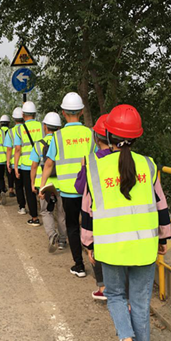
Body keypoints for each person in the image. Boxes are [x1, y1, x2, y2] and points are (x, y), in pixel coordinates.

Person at [82, 104, 171, 341]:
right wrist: (163, 237)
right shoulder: (148, 165)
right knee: (141, 300)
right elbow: (161, 204)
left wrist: (88, 242)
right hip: (144, 246)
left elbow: (88, 210)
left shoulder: (95, 166)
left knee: (116, 296)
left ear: (108, 135)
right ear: (136, 137)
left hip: (110, 247)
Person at [39, 92, 95, 278]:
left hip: (68, 192)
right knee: (92, 226)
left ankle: (79, 265)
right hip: (89, 190)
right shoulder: (91, 134)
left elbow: (49, 164)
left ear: (63, 113)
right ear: (81, 112)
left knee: (72, 226)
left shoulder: (58, 137)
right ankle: (98, 267)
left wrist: (42, 186)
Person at [76, 114, 109, 300]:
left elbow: (81, 188)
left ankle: (103, 287)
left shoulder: (91, 161)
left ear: (96, 138)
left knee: (98, 251)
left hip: (98, 217)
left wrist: (87, 241)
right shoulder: (131, 160)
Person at [29, 112, 68, 252]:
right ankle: (62, 241)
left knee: (46, 211)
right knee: (62, 213)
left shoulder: (38, 145)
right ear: (59, 128)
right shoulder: (62, 142)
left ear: (45, 127)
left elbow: (34, 166)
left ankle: (52, 234)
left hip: (45, 184)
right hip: (62, 184)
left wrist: (33, 183)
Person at [14, 101, 43, 226]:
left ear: (23, 114)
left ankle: (34, 218)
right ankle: (46, 213)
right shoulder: (42, 126)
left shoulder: (19, 129)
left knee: (30, 191)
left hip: (27, 165)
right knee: (43, 187)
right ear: (35, 114)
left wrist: (16, 166)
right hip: (42, 163)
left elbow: (17, 149)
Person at [6, 107, 27, 215]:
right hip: (29, 162)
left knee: (18, 187)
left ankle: (22, 207)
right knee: (28, 186)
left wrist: (8, 162)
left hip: (16, 163)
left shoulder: (10, 132)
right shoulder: (27, 129)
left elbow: (9, 149)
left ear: (14, 119)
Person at [0, 114, 16, 198]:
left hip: (1, 155)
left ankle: (4, 188)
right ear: (8, 123)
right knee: (11, 173)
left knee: (2, 174)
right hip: (11, 155)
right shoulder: (10, 131)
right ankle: (11, 190)